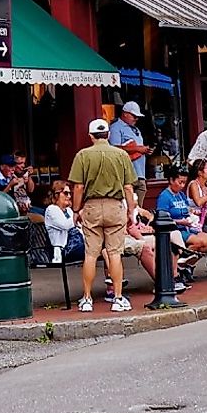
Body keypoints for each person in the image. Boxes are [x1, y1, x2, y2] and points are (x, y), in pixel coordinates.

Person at [69, 116, 138, 313]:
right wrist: (132, 210)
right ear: (108, 134)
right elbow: (128, 186)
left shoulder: (83, 155)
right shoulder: (121, 155)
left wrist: (75, 210)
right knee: (115, 253)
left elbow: (78, 187)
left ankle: (87, 298)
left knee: (91, 254)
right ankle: (117, 298)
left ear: (90, 136)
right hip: (115, 206)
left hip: (91, 206)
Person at [40, 179, 83, 265]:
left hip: (75, 245)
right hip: (64, 250)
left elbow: (78, 226)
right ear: (56, 195)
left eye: (70, 193)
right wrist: (79, 214)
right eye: (66, 193)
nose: (69, 196)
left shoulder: (68, 210)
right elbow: (66, 225)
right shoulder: (51, 209)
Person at [109, 100, 150, 182]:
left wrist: (145, 150)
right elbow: (114, 149)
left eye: (137, 117)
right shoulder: (116, 127)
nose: (136, 119)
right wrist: (137, 149)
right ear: (125, 114)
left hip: (140, 173)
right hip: (127, 177)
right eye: (134, 116)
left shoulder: (136, 129)